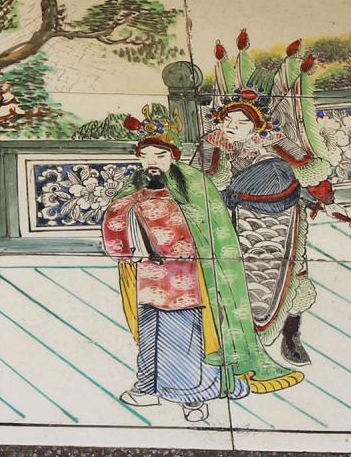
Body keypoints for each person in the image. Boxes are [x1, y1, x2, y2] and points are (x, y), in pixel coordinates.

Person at [100, 124, 302, 421]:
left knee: (188, 339)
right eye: (146, 155)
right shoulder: (133, 188)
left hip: (189, 281)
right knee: (151, 336)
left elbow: (213, 229)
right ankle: (147, 389)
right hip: (149, 280)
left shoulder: (195, 184)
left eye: (160, 155)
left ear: (174, 156)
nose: (152, 161)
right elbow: (115, 225)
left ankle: (194, 399)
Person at [202, 36, 335, 366]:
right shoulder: (213, 142)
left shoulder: (275, 141)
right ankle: (237, 340)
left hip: (282, 217)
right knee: (234, 279)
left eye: (240, 123)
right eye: (227, 121)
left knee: (290, 276)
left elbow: (311, 170)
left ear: (256, 124)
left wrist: (324, 196)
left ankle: (291, 333)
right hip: (234, 218)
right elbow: (202, 178)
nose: (232, 127)